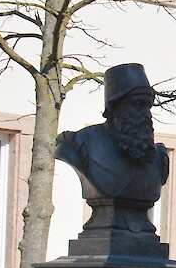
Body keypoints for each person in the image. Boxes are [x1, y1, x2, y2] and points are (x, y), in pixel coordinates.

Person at [55, 62, 169, 203]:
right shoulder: (80, 144)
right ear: (114, 107)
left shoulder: (157, 157)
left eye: (148, 106)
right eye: (138, 105)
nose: (147, 114)